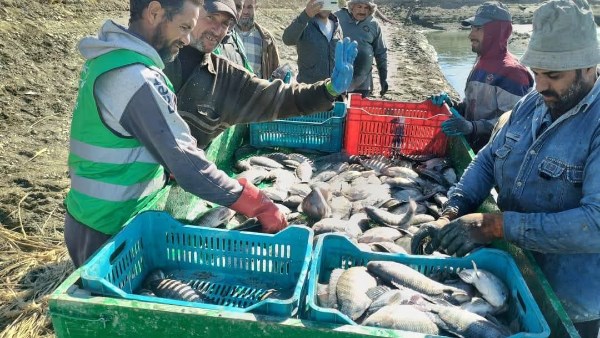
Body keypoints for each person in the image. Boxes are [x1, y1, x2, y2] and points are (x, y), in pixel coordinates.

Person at [63, 0, 314, 268]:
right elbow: (188, 166)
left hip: (92, 215)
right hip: (106, 229)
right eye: (183, 27)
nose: (186, 39)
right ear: (155, 12)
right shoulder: (136, 78)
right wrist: (256, 204)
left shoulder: (111, 58)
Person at [412, 1, 600, 336]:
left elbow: (594, 223)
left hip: (569, 301)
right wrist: (454, 208)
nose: (540, 85)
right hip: (514, 273)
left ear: (588, 67)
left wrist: (495, 225)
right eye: (538, 72)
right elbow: (488, 158)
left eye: (553, 76)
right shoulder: (534, 101)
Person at [164, 1, 358, 149]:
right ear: (193, 14)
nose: (217, 30)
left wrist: (330, 89)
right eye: (211, 17)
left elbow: (280, 98)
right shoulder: (156, 58)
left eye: (225, 23)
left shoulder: (227, 76)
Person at [431, 1, 533, 153]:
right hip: (473, 146)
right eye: (472, 28)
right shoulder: (481, 62)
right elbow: (475, 104)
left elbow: (515, 122)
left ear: (497, 31)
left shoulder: (513, 73)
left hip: (493, 156)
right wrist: (455, 105)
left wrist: (472, 127)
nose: (470, 35)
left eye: (478, 28)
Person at [335, 0, 388, 97]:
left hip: (363, 82)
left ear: (370, 10)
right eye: (359, 7)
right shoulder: (337, 18)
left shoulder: (374, 24)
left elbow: (381, 53)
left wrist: (383, 79)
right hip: (338, 78)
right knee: (338, 109)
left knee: (357, 110)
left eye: (366, 8)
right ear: (352, 7)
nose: (362, 11)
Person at [282, 0, 343, 84]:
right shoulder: (304, 22)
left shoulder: (336, 25)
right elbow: (287, 39)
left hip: (333, 88)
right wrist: (305, 15)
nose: (323, 4)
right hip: (308, 89)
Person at [234, 0, 279, 79]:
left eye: (249, 7)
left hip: (256, 90)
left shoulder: (266, 39)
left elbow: (276, 71)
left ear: (256, 8)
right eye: (242, 7)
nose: (245, 12)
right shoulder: (226, 34)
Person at [211, 0, 253, 72]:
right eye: (229, 4)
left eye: (238, 7)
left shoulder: (237, 41)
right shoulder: (205, 39)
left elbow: (248, 76)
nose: (232, 11)